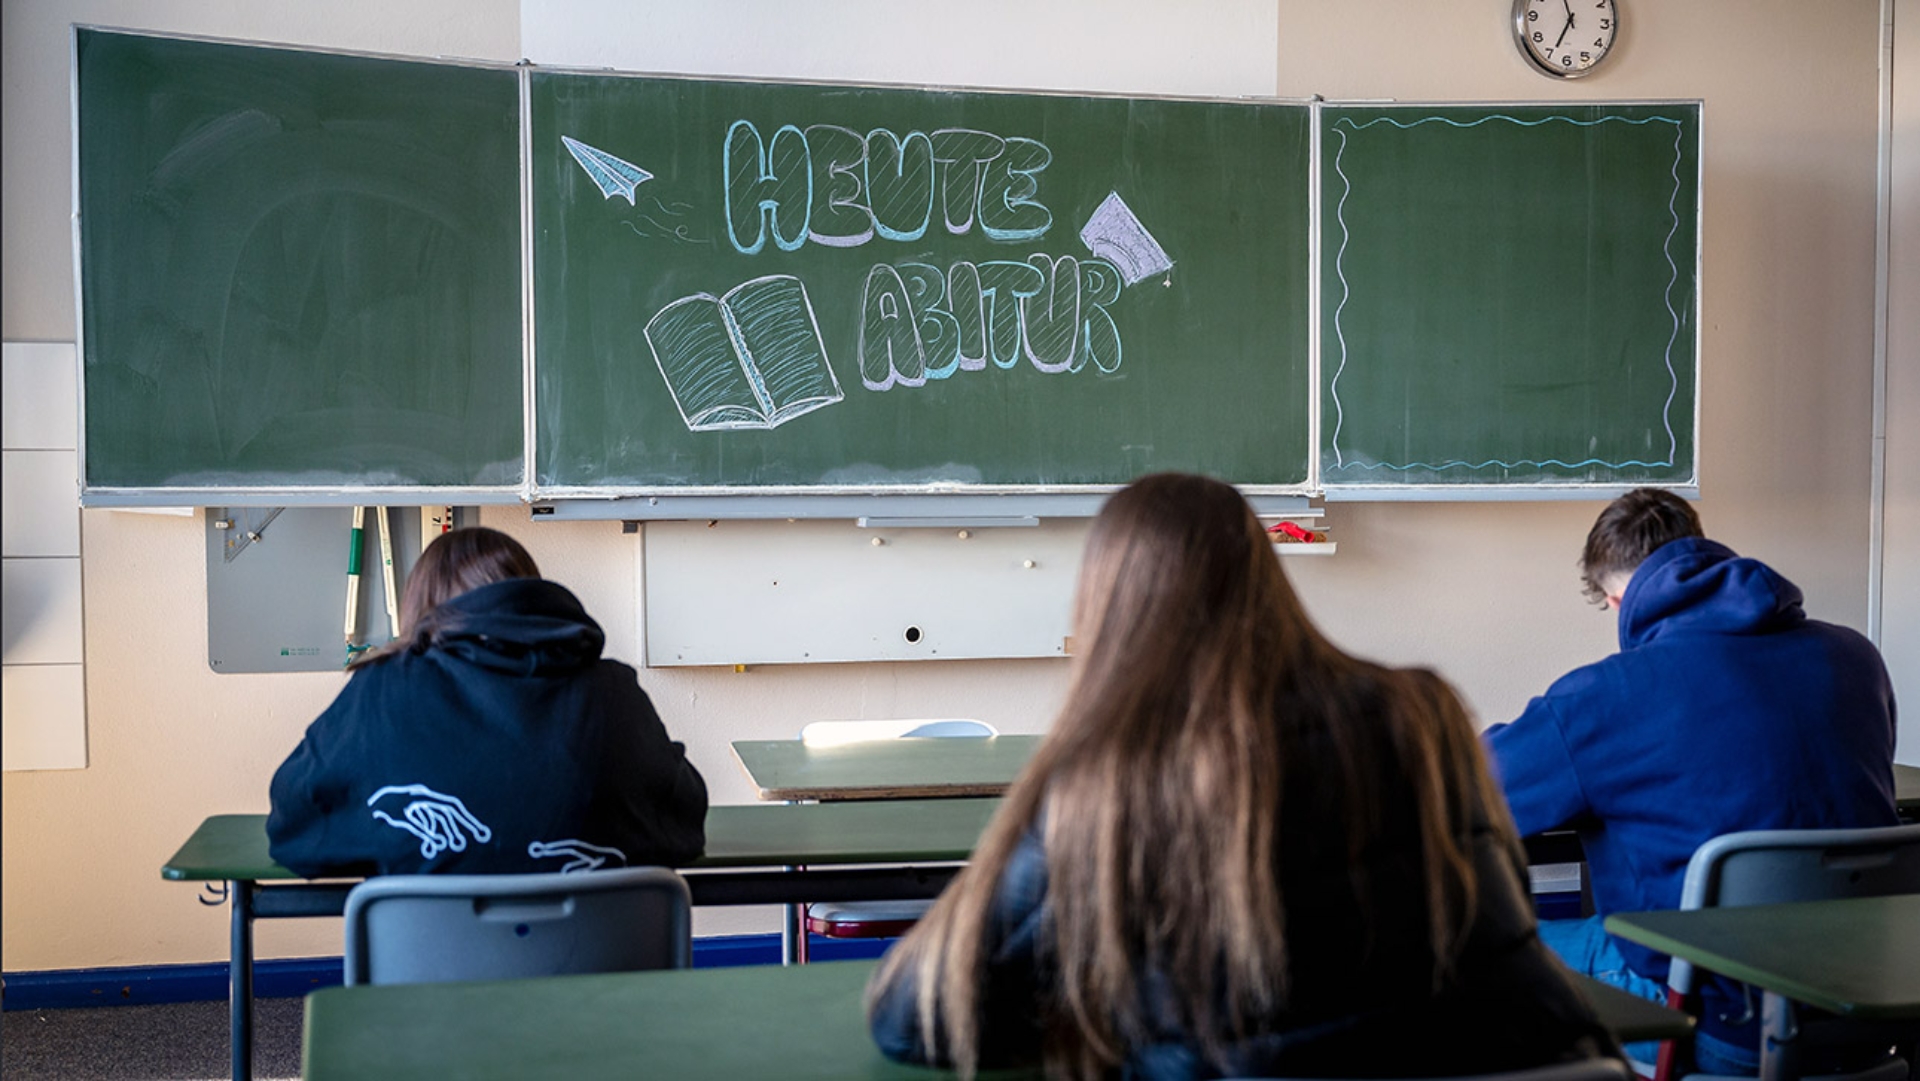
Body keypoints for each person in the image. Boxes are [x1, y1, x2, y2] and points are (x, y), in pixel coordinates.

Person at [866, 473, 1621, 1081]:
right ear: (1267, 583)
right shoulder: (1424, 714)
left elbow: (912, 1018)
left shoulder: (1111, 783)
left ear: (1105, 612)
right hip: (1549, 1060)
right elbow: (1504, 907)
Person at [1483, 488, 1898, 1075]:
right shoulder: (1854, 659)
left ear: (1617, 598)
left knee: (1476, 949)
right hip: (1872, 1014)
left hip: (1712, 1024)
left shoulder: (1608, 695)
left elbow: (1462, 787)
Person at [267, 526, 707, 877]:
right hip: (599, 962)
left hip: (428, 963)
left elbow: (293, 825)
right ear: (529, 595)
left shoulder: (382, 690)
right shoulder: (612, 692)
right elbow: (684, 824)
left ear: (418, 605)